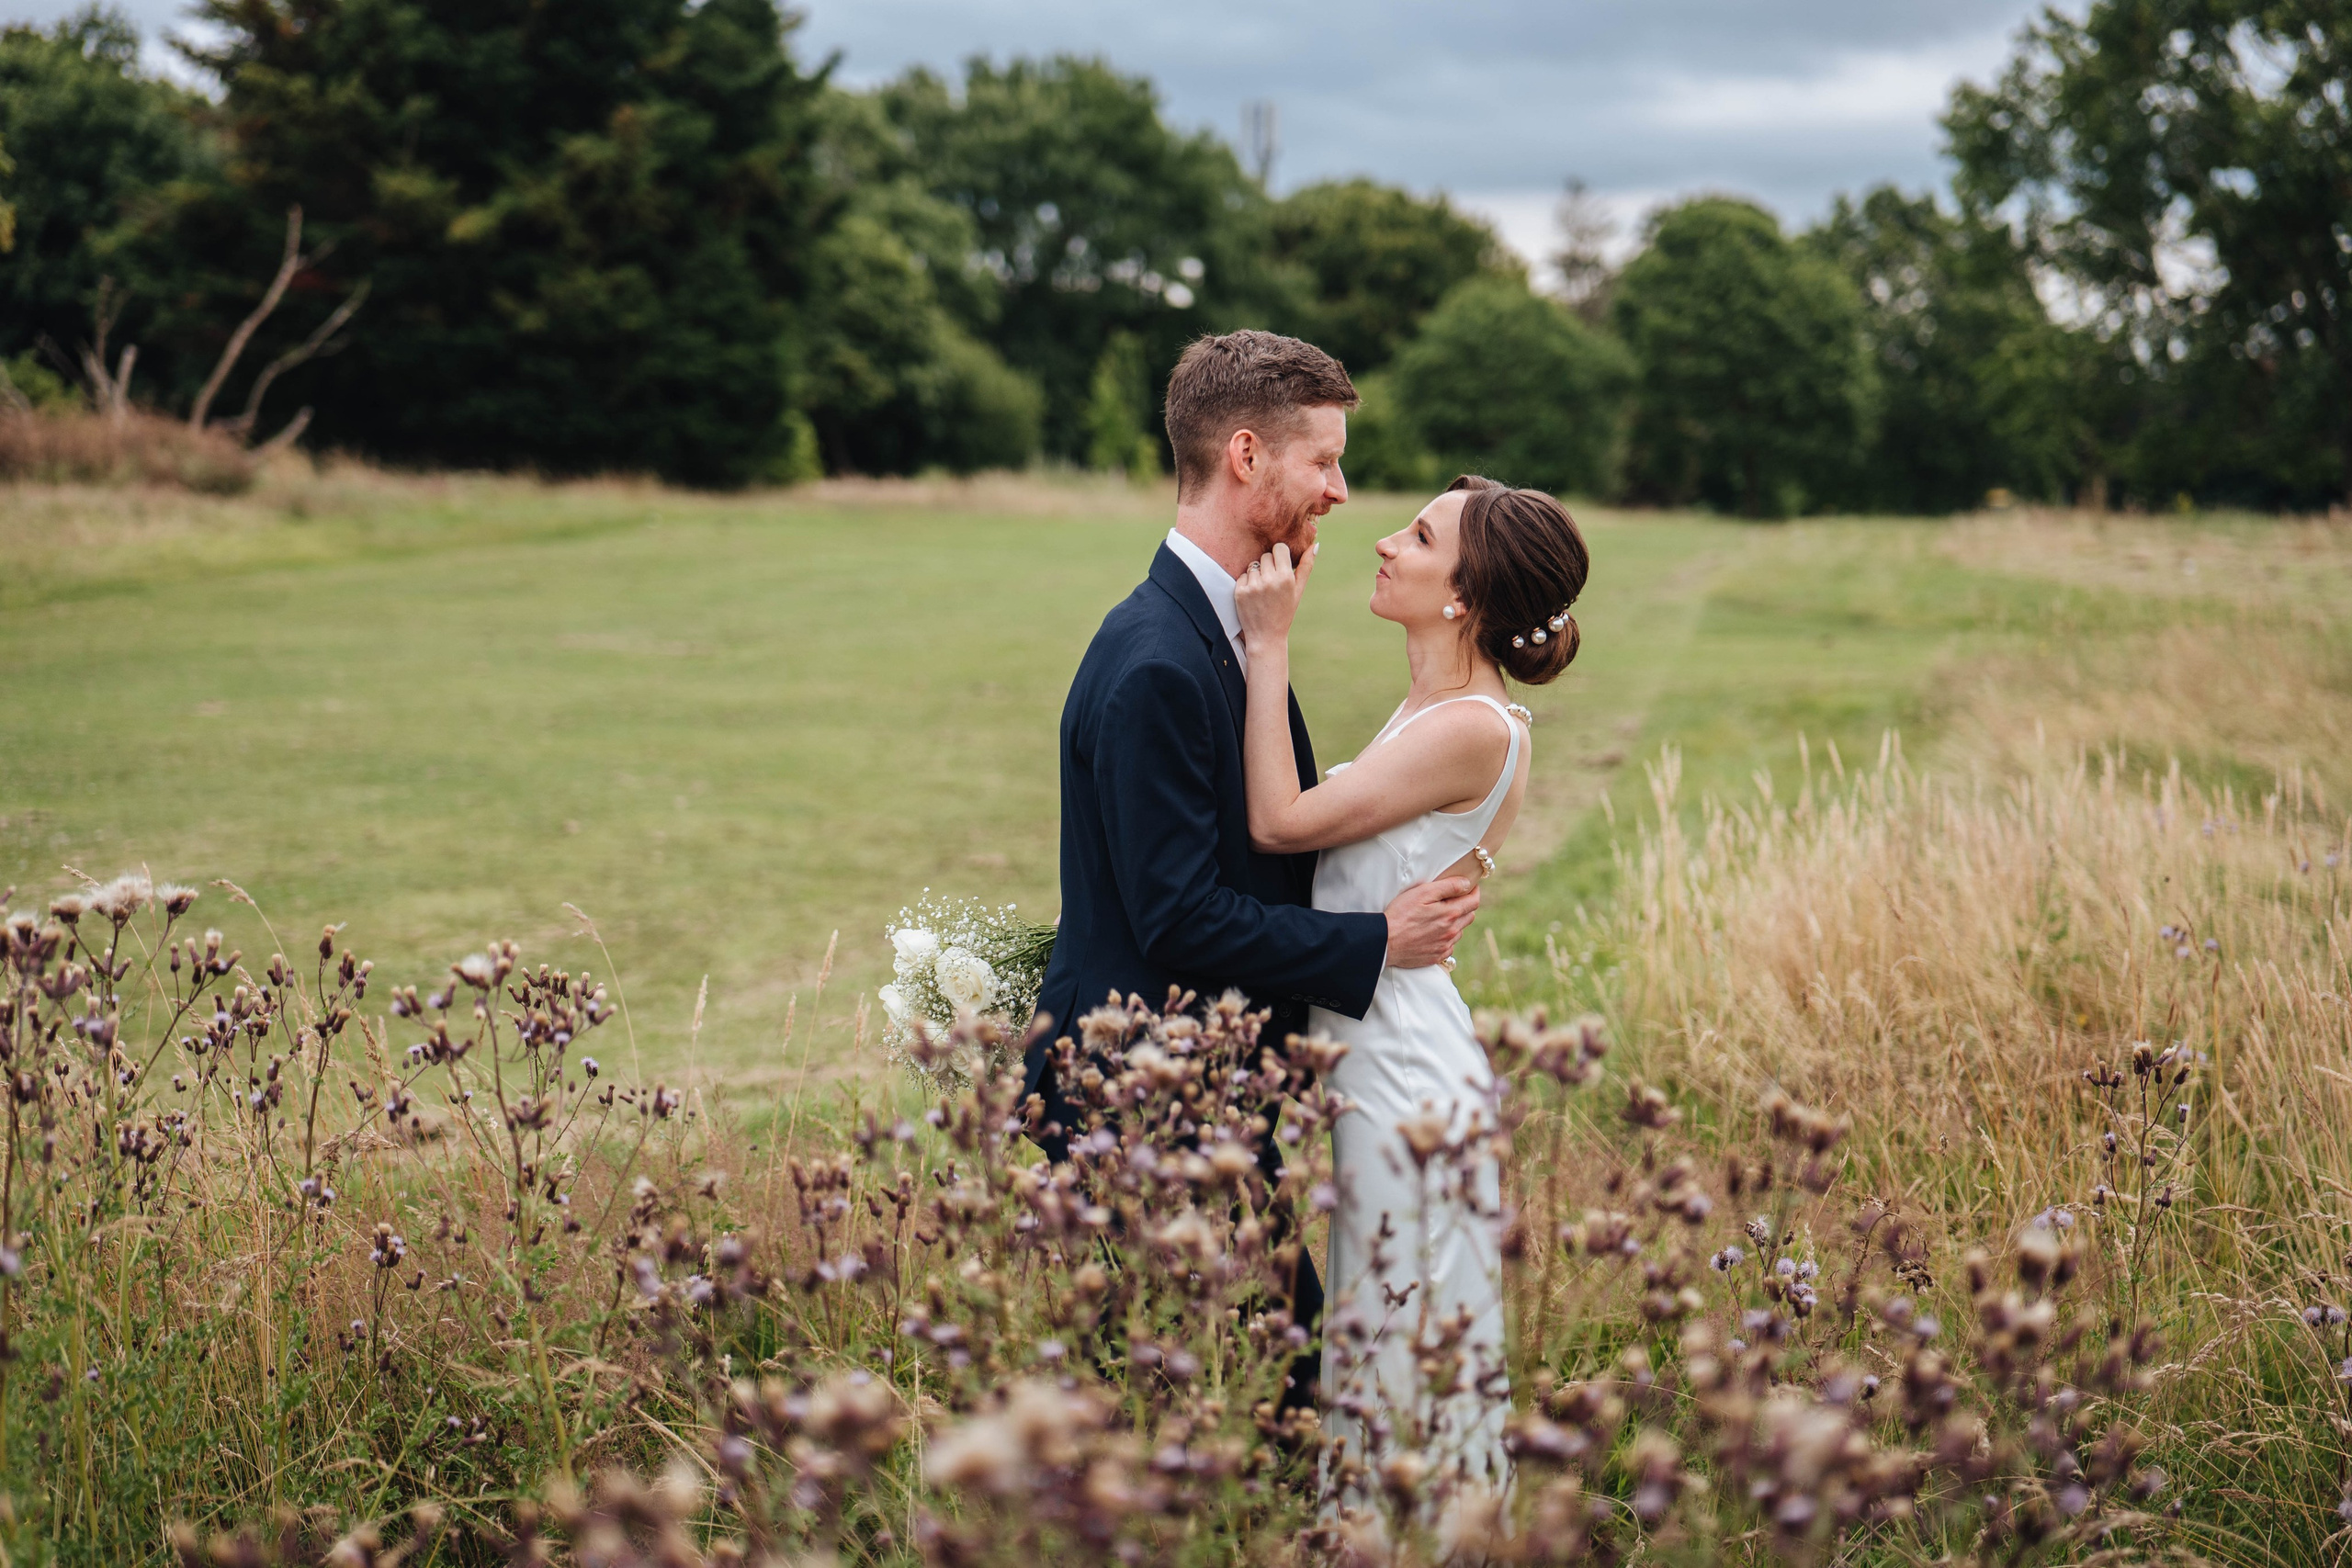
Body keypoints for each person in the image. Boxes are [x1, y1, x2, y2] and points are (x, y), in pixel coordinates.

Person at [1027, 331, 1484, 1409]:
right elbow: (1181, 919)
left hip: (1195, 1103)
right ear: (1245, 455)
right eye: (1321, 460)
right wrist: (1378, 942)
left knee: (1236, 1425)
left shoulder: (1221, 628)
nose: (1339, 488)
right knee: (1255, 1427)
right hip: (1138, 1110)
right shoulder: (1157, 662)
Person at [1231, 474, 1590, 1502]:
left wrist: (1268, 646)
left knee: (1394, 1351)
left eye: (1421, 535)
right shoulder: (1429, 706)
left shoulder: (1474, 727)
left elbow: (1280, 825)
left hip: (1407, 1087)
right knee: (1376, 1342)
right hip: (1376, 1061)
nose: (1387, 541)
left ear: (1462, 597)